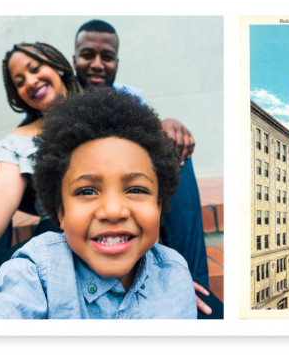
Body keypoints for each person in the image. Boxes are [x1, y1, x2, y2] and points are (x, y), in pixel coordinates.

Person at [0, 87, 197, 319]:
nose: (113, 211)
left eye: (136, 189)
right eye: (87, 190)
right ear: (62, 212)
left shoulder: (175, 275)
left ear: (158, 207)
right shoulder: (37, 271)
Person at [73, 20, 220, 317]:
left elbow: (151, 136)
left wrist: (168, 124)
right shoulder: (63, 98)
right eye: (88, 55)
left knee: (174, 151)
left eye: (108, 56)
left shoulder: (130, 97)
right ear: (75, 59)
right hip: (90, 197)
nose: (98, 64)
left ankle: (194, 283)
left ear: (117, 61)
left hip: (131, 191)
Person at [0, 42, 81, 251]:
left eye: (35, 68)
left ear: (56, 65)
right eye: (19, 82)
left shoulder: (106, 108)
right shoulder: (17, 143)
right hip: (55, 245)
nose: (30, 82)